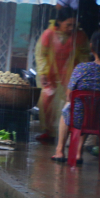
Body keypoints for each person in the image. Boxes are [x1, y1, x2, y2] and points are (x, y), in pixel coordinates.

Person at [51, 29, 100, 163]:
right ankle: (78, 152)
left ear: (92, 46)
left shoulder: (82, 68)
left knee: (69, 109)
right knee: (89, 109)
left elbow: (69, 96)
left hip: (79, 118)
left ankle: (60, 151)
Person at [35, 7, 91, 143]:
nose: (71, 28)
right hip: (51, 75)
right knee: (47, 103)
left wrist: (82, 73)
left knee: (69, 103)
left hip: (72, 76)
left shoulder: (80, 36)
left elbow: (85, 54)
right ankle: (49, 132)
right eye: (68, 25)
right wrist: (42, 72)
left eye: (74, 25)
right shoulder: (48, 34)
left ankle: (68, 135)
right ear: (58, 22)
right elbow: (41, 54)